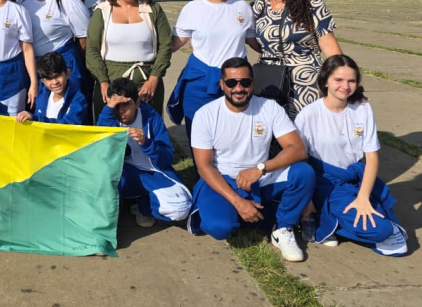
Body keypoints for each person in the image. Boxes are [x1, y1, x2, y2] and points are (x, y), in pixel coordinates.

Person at [187, 57, 316, 262]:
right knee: (221, 228)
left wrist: (261, 168)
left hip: (260, 179)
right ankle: (247, 212)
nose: (239, 88)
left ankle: (283, 227)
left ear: (253, 83)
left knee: (304, 172)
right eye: (231, 83)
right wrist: (238, 202)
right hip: (224, 179)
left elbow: (298, 150)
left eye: (245, 82)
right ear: (222, 84)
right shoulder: (206, 115)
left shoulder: (270, 107)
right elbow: (204, 166)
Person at [295, 55, 408, 256]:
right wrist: (307, 200)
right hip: (325, 181)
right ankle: (327, 219)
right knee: (381, 230)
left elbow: (371, 157)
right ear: (325, 81)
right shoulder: (309, 114)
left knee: (378, 218)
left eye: (351, 81)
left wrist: (363, 197)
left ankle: (336, 220)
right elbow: (299, 160)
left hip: (356, 177)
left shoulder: (362, 108)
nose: (345, 86)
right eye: (338, 80)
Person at [167, 0, 257, 137]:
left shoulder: (243, 7)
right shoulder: (192, 8)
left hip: (235, 81)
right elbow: (177, 42)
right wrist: (151, 57)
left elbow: (252, 40)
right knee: (199, 131)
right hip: (199, 79)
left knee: (234, 132)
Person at [252, 0, 342, 119]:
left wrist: (343, 80)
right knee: (270, 128)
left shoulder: (311, 3)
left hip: (305, 80)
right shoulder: (258, 6)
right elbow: (245, 35)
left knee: (305, 128)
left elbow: (329, 46)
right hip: (269, 79)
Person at [97, 78, 192, 228]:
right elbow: (101, 148)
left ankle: (144, 206)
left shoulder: (151, 117)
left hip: (152, 172)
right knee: (98, 186)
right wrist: (108, 109)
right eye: (116, 105)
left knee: (180, 209)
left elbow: (167, 158)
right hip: (122, 174)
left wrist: (147, 143)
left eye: (126, 104)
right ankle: (122, 204)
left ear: (137, 102)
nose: (120, 111)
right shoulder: (109, 117)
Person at [85, 0, 172, 120]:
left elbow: (165, 45)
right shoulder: (102, 12)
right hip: (111, 80)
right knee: (110, 129)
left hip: (146, 82)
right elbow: (92, 50)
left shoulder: (152, 9)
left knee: (146, 129)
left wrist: (154, 78)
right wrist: (103, 82)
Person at [18, 0, 90, 85]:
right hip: (30, 66)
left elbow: (84, 39)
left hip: (61, 67)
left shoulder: (69, 2)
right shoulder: (20, 0)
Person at [16, 51, 88, 125]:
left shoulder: (78, 100)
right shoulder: (41, 96)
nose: (55, 82)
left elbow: (67, 126)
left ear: (67, 74)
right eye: (49, 79)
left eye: (57, 76)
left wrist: (36, 119)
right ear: (43, 82)